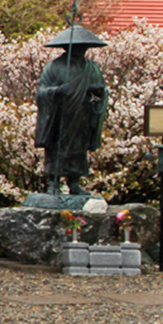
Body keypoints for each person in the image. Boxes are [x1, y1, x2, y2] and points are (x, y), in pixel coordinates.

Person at [34, 26, 109, 196]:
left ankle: (74, 183)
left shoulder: (92, 68)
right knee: (57, 148)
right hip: (60, 115)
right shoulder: (55, 66)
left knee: (78, 151)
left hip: (82, 114)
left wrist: (98, 93)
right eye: (77, 46)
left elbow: (101, 93)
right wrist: (58, 91)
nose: (81, 50)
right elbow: (41, 93)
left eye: (84, 47)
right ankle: (53, 182)